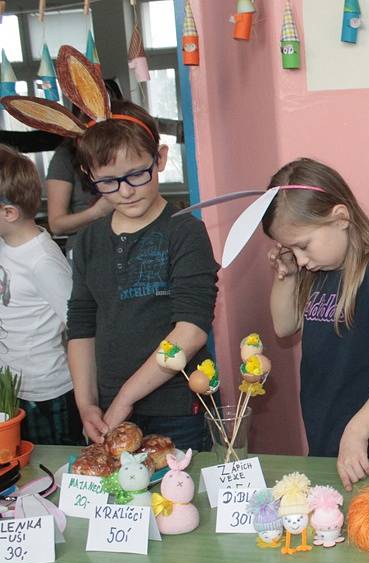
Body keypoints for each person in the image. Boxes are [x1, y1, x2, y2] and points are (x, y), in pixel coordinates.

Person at [68, 100, 219, 450]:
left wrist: (125, 398)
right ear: (90, 176)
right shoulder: (89, 239)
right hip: (107, 409)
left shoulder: (185, 232)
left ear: (160, 159)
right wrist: (86, 402)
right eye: (108, 182)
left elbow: (190, 332)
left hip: (178, 407)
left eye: (137, 174)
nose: (125, 190)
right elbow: (81, 325)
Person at [264, 158, 369, 490]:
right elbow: (283, 326)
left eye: (303, 245)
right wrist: (287, 275)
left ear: (340, 218)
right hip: (324, 438)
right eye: (290, 249)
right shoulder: (314, 270)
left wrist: (358, 430)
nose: (301, 258)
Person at [0, 144, 81, 445]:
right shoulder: (6, 245)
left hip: (49, 393)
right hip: (13, 388)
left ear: (9, 212)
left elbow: (77, 324)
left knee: (51, 467)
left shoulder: (43, 260)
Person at [46, 80, 124, 262]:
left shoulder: (126, 150)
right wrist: (97, 212)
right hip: (90, 251)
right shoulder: (65, 156)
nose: (100, 117)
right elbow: (56, 225)